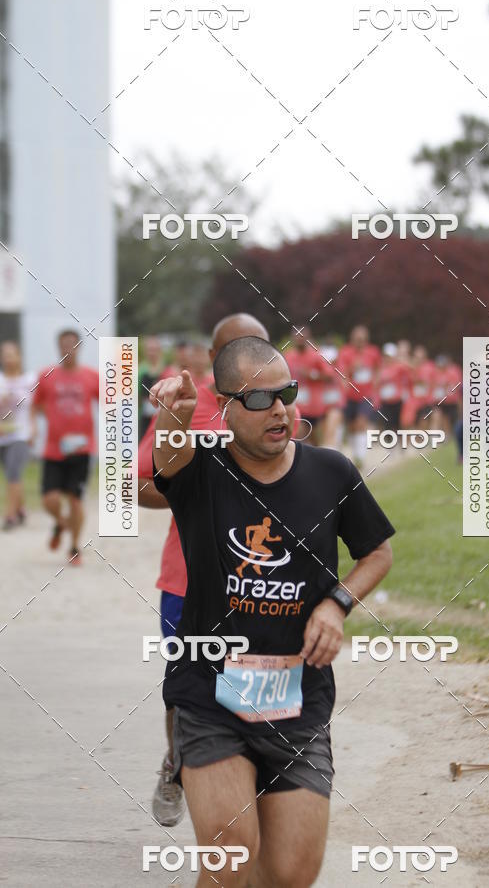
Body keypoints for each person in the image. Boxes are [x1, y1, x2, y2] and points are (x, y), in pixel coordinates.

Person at [150, 336, 394, 887]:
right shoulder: (202, 471)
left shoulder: (332, 472)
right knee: (232, 854)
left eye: (286, 393)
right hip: (210, 692)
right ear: (226, 407)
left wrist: (336, 605)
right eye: (259, 400)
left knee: (289, 875)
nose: (279, 409)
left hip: (298, 701)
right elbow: (167, 459)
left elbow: (377, 552)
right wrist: (171, 415)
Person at [137, 314, 270, 827]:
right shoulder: (184, 411)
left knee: (258, 683)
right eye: (236, 347)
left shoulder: (278, 408)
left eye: (256, 345)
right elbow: (134, 486)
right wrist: (190, 499)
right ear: (215, 360)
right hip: (187, 580)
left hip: (263, 581)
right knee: (184, 685)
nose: (249, 356)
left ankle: (253, 782)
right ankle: (176, 765)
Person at [31, 330, 99, 564]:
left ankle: (74, 547)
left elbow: (109, 403)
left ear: (79, 347)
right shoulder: (46, 375)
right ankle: (61, 523)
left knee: (75, 500)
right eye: (63, 345)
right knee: (49, 500)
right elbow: (35, 404)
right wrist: (35, 427)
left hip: (82, 448)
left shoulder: (91, 376)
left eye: (72, 345)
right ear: (58, 347)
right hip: (54, 448)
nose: (67, 349)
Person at [0, 341, 36, 529]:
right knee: (10, 474)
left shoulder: (29, 380)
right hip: (2, 435)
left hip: (21, 434)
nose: (8, 359)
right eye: (4, 355)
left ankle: (10, 516)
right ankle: (21, 508)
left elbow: (35, 407)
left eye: (11, 354)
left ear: (19, 357)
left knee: (14, 472)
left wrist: (34, 429)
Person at [337, 325, 381, 468]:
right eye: (357, 339)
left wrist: (376, 387)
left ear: (366, 339)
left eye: (363, 339)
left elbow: (377, 369)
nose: (360, 342)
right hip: (350, 396)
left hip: (367, 395)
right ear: (352, 339)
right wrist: (352, 368)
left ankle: (360, 459)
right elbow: (342, 373)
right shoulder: (345, 352)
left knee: (361, 423)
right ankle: (355, 453)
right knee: (352, 427)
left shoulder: (373, 352)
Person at [138, 336, 164, 437]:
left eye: (154, 350)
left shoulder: (166, 369)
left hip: (163, 418)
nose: (152, 353)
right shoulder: (140, 371)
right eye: (149, 350)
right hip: (145, 418)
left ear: (159, 351)